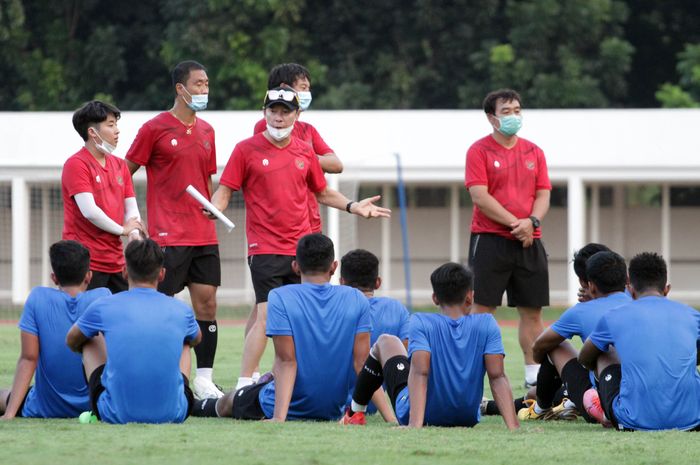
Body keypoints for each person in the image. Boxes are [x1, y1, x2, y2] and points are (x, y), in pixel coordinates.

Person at [209, 87, 390, 390]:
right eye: (273, 111)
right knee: (267, 315)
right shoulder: (245, 149)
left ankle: (299, 381)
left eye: (285, 112)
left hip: (301, 251)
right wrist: (216, 206)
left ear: (297, 115)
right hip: (264, 247)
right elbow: (225, 191)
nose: (278, 118)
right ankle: (243, 383)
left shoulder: (305, 151)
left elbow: (322, 192)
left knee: (301, 320)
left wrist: (353, 206)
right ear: (264, 112)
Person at [192, 233, 371, 421]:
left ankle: (195, 405)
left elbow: (286, 361)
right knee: (260, 385)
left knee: (229, 400)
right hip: (333, 409)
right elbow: (362, 365)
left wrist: (278, 419)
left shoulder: (280, 296)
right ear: (334, 267)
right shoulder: (357, 298)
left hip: (281, 403)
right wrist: (390, 417)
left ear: (295, 266)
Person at [125, 60, 222, 399]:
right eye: (199, 84)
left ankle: (204, 380)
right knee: (162, 307)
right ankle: (163, 375)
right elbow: (125, 171)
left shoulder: (208, 131)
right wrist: (131, 215)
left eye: (207, 83)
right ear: (181, 89)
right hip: (168, 234)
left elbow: (206, 180)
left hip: (204, 235)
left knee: (207, 305)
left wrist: (214, 208)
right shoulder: (154, 128)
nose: (205, 89)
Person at [244, 63, 343, 381]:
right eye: (301, 87)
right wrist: (298, 155)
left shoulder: (307, 132)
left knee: (268, 309)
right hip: (273, 237)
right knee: (268, 311)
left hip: (308, 230)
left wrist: (302, 154)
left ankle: (278, 372)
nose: (306, 93)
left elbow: (335, 164)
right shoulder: (265, 130)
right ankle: (250, 377)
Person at [340, 263, 519, 430]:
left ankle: (355, 412)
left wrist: (414, 425)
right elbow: (497, 376)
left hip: (425, 415)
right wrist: (514, 428)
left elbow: (420, 372)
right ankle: (357, 413)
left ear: (435, 298)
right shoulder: (487, 323)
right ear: (470, 296)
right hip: (467, 417)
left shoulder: (421, 321)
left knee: (386, 341)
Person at [465, 88, 552, 388]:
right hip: (490, 240)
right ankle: (472, 381)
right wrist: (517, 223)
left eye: (517, 110)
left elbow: (543, 193)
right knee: (482, 311)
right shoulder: (479, 151)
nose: (514, 116)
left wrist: (532, 222)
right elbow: (479, 195)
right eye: (506, 111)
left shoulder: (534, 152)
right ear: (492, 118)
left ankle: (534, 381)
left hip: (530, 240)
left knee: (532, 312)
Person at [66, 239, 202, 424]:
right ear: (162, 274)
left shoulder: (103, 305)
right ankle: (172, 396)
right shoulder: (182, 309)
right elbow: (196, 339)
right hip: (174, 414)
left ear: (124, 272)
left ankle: (105, 396)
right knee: (186, 341)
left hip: (115, 414)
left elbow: (71, 340)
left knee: (88, 338)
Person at [579, 252, 700, 431]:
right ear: (667, 289)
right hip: (693, 421)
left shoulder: (614, 316)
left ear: (631, 290)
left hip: (633, 421)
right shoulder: (693, 315)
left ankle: (606, 410)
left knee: (604, 353)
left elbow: (584, 357)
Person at [0, 241, 110, 420]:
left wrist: (10, 414)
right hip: (95, 406)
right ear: (88, 276)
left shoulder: (37, 298)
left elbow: (29, 358)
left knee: (5, 395)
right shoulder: (103, 297)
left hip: (45, 407)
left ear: (54, 278)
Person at [519, 249, 630, 423]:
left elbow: (540, 346)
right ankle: (564, 402)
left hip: (605, 397)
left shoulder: (581, 311)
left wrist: (548, 363)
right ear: (627, 279)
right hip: (643, 394)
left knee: (556, 347)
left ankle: (541, 409)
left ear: (589, 284)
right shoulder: (639, 303)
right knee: (550, 392)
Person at [62, 100, 143, 294]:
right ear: (92, 132)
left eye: (116, 124)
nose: (117, 131)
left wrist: (134, 236)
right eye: (111, 125)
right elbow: (90, 212)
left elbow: (131, 208)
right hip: (84, 261)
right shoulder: (76, 164)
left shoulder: (120, 165)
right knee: (86, 322)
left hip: (116, 260)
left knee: (121, 321)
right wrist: (124, 230)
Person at [340, 248, 410, 422]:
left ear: (341, 282)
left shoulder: (334, 309)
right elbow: (405, 362)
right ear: (378, 282)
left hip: (331, 404)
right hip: (371, 407)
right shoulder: (398, 310)